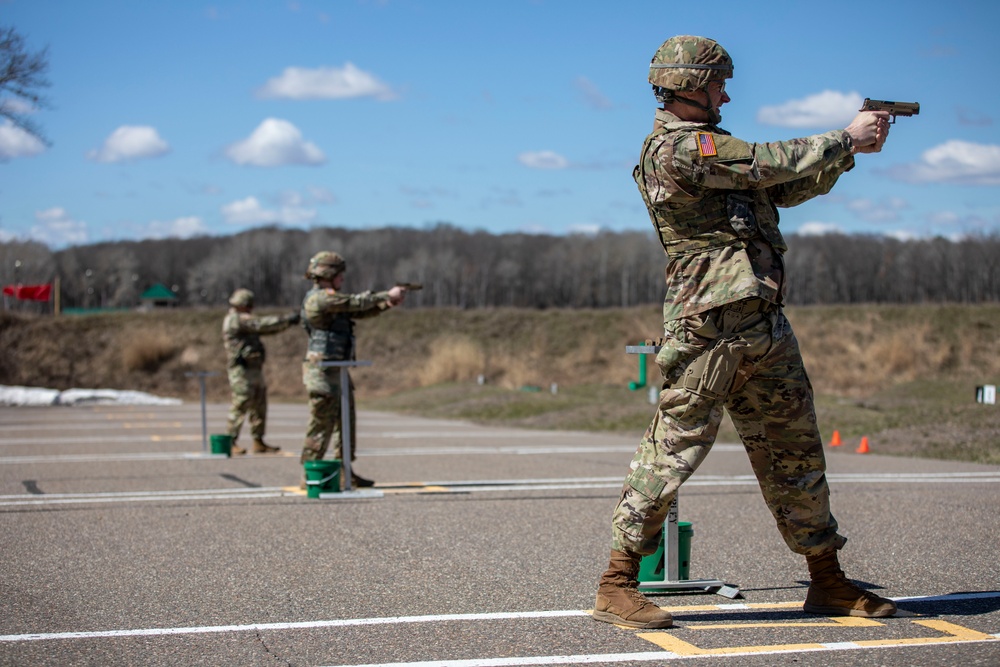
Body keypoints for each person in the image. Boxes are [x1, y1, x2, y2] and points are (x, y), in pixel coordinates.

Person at [593, 35, 897, 630]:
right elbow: (765, 161)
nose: (726, 93)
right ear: (688, 84)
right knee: (673, 449)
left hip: (761, 324)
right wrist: (842, 137)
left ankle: (827, 580)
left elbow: (782, 186)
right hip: (708, 328)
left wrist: (850, 153)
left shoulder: (715, 153)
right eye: (718, 83)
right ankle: (616, 582)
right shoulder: (677, 148)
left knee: (797, 453)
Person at [299, 251, 407, 488]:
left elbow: (357, 311)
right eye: (340, 275)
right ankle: (309, 472)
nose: (343, 280)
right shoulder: (320, 298)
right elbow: (353, 302)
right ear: (329, 274)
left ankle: (344, 469)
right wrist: (384, 295)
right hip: (322, 372)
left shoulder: (331, 299)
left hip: (337, 369)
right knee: (321, 424)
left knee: (345, 423)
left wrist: (387, 303)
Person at [222, 288, 300, 455]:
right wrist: (286, 320)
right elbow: (262, 324)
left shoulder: (243, 319)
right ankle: (230, 440)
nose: (251, 309)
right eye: (248, 305)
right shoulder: (234, 320)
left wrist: (286, 323)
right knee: (241, 402)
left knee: (259, 404)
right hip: (241, 369)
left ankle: (258, 441)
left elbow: (267, 328)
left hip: (254, 368)